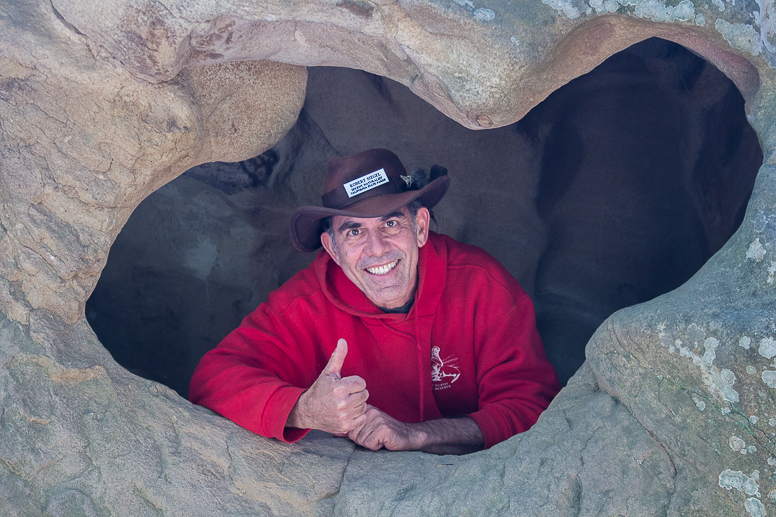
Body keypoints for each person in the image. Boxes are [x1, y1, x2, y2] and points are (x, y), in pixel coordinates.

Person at [189, 148, 560, 454]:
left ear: (420, 227)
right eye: (354, 230)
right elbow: (213, 380)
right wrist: (305, 410)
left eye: (391, 223)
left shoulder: (482, 285)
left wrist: (418, 434)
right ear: (332, 249)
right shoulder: (304, 305)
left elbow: (534, 408)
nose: (376, 249)